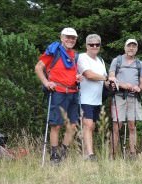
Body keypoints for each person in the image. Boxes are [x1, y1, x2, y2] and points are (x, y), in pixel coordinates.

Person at [35, 27, 81, 164]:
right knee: (56, 125)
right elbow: (38, 67)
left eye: (73, 38)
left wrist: (78, 77)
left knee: (72, 126)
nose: (70, 40)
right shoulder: (53, 52)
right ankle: (54, 156)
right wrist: (46, 82)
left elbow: (74, 73)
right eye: (67, 37)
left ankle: (63, 153)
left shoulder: (75, 55)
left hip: (73, 93)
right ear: (61, 37)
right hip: (58, 92)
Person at [108, 39, 142, 159]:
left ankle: (132, 153)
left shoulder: (139, 64)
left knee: (132, 126)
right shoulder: (117, 60)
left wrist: (138, 88)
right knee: (116, 126)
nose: (131, 48)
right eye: (129, 46)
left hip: (133, 97)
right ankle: (113, 153)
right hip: (119, 96)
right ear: (125, 47)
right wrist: (123, 85)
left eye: (134, 46)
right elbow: (111, 77)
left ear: (137, 49)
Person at [77, 34, 108, 161]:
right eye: (91, 44)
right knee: (88, 125)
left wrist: (112, 84)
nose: (94, 46)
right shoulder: (82, 58)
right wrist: (106, 78)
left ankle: (86, 152)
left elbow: (105, 79)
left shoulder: (100, 60)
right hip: (84, 98)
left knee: (92, 127)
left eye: (97, 44)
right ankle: (90, 155)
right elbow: (89, 75)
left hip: (97, 99)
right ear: (86, 46)